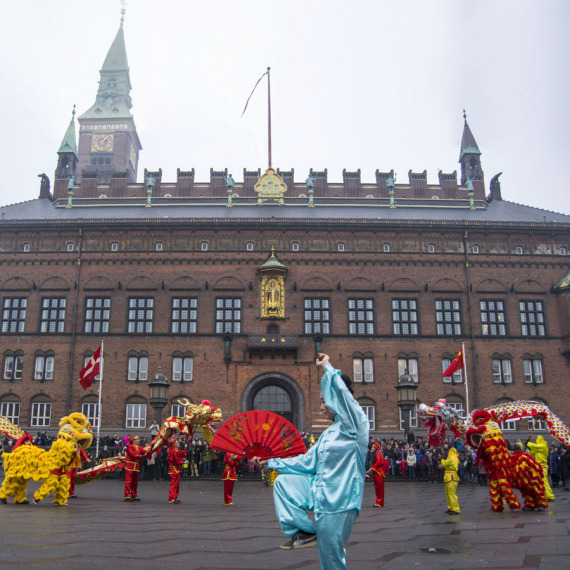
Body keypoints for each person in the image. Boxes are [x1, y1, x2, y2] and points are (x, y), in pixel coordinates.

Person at [252, 353, 369, 570]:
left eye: (325, 402)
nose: (322, 406)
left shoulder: (356, 425)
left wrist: (327, 368)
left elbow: (343, 397)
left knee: (331, 557)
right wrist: (270, 461)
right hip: (319, 495)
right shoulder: (328, 434)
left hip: (340, 503)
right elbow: (306, 462)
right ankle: (305, 531)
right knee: (283, 484)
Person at [526, 435, 555, 500]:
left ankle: (550, 496)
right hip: (538, 466)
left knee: (544, 481)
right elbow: (533, 453)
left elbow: (535, 447)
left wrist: (529, 443)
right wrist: (530, 448)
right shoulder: (540, 448)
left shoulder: (543, 446)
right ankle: (543, 495)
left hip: (543, 466)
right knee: (538, 481)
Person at [124, 435, 145, 502]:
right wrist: (140, 456)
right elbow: (132, 455)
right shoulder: (130, 447)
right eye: (137, 439)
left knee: (135, 482)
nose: (138, 440)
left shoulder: (139, 447)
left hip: (136, 466)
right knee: (128, 481)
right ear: (133, 440)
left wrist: (152, 448)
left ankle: (134, 495)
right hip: (130, 465)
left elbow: (144, 451)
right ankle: (127, 496)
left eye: (138, 439)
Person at [368, 443, 389, 507]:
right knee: (377, 488)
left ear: (375, 448)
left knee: (379, 489)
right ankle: (378, 502)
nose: (372, 449)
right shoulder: (377, 454)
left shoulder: (377, 454)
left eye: (373, 447)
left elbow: (378, 463)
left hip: (378, 473)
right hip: (377, 473)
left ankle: (379, 502)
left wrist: (372, 469)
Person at [442, 446, 460, 514]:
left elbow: (444, 464)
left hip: (451, 477)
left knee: (451, 493)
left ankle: (455, 509)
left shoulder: (452, 459)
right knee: (448, 493)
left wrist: (442, 460)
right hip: (449, 477)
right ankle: (451, 507)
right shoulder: (454, 458)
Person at [167, 439, 185, 504]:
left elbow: (182, 453)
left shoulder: (177, 450)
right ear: (174, 444)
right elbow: (176, 461)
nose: (179, 443)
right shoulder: (174, 452)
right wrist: (183, 462)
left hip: (177, 469)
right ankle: (171, 498)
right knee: (173, 484)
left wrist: (186, 451)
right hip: (173, 469)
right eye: (177, 443)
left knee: (176, 484)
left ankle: (175, 497)